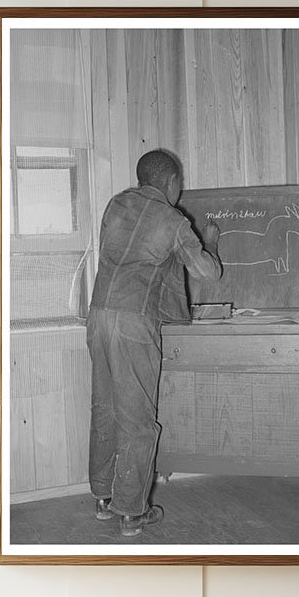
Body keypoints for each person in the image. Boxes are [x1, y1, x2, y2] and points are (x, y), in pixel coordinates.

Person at [87, 150, 222, 536]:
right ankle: (130, 512)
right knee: (138, 421)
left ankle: (102, 497)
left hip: (98, 316)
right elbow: (208, 274)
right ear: (171, 182)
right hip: (133, 324)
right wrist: (209, 242)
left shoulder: (116, 205)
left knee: (105, 410)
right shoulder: (173, 219)